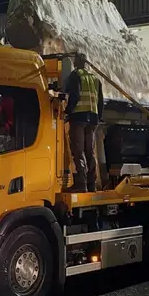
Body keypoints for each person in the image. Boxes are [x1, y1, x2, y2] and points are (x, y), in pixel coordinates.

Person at [64, 53, 103, 193]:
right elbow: (101, 102)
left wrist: (67, 112)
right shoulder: (95, 79)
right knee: (89, 151)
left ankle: (81, 184)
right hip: (93, 119)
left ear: (76, 62)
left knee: (78, 150)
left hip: (79, 117)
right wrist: (98, 118)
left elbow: (74, 95)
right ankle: (91, 183)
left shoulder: (76, 76)